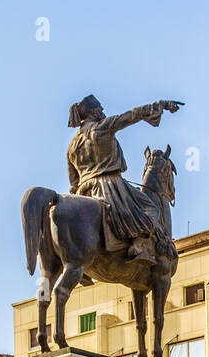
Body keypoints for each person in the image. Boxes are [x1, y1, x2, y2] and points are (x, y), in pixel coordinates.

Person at [66, 94, 181, 262]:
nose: (103, 111)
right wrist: (160, 105)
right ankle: (138, 246)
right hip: (109, 186)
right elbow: (131, 115)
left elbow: (73, 183)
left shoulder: (72, 146)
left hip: (84, 193)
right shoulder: (101, 128)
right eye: (100, 109)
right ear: (94, 112)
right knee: (150, 209)